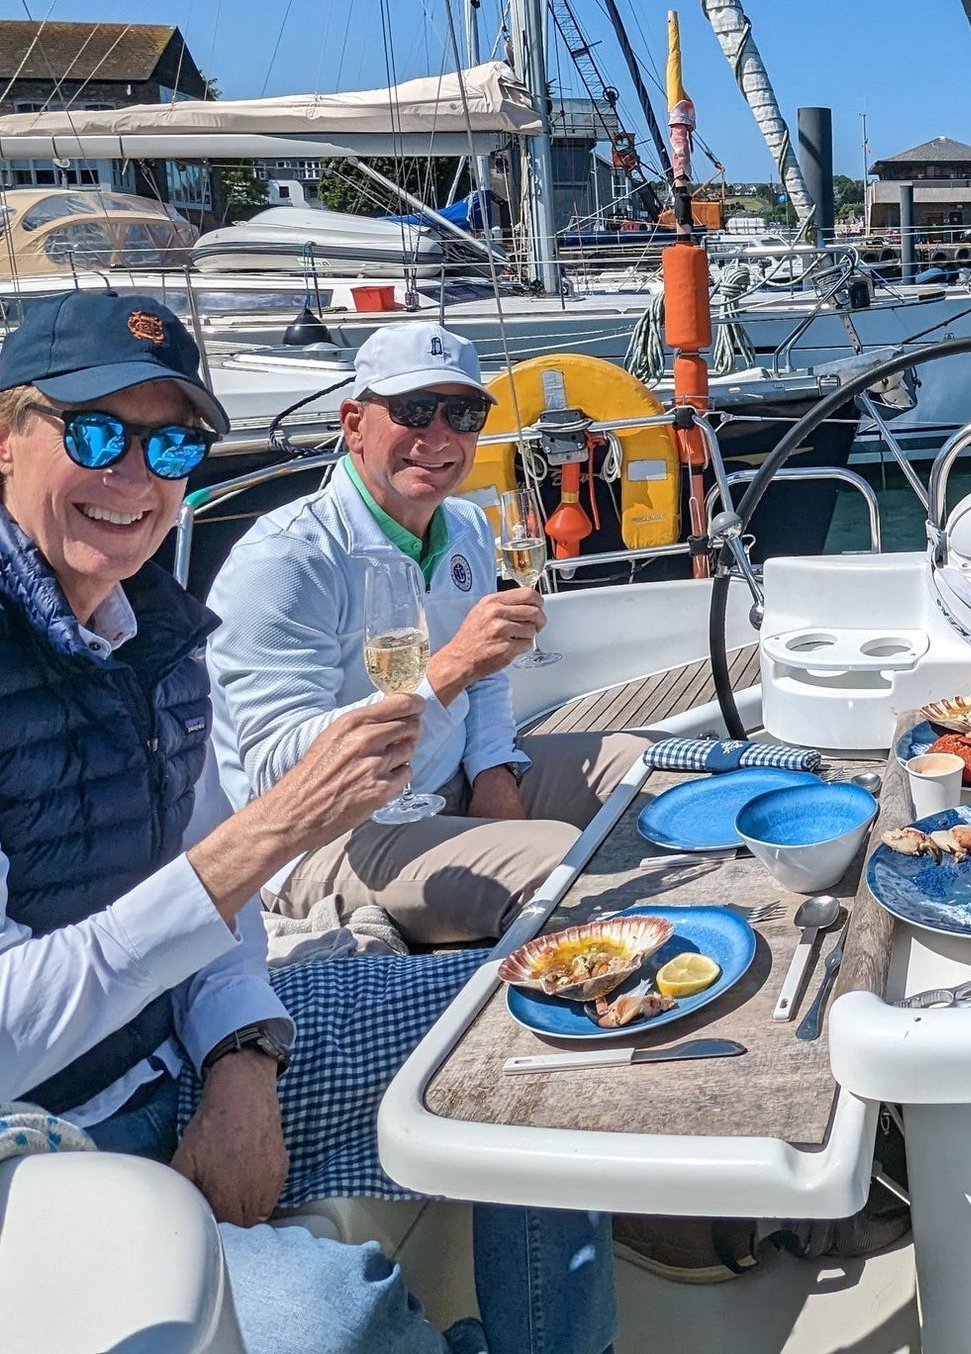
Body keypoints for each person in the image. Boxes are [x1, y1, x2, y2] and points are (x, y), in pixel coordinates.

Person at [0, 292, 614, 1354]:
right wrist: (255, 843)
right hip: (45, 1140)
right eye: (97, 432)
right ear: (9, 439)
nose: (136, 477)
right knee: (333, 1322)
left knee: (542, 1023)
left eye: (174, 444)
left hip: (187, 1047)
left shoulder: (151, 635)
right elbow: (21, 1027)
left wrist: (241, 1050)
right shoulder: (276, 560)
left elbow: (214, 905)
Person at [208, 324, 641, 947]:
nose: (438, 438)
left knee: (651, 766)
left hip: (446, 782)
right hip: (325, 836)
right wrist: (447, 670)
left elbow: (490, 676)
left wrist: (494, 769)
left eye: (463, 413)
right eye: (413, 410)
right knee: (557, 863)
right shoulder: (285, 561)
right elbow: (278, 770)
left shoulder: (463, 524)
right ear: (354, 423)